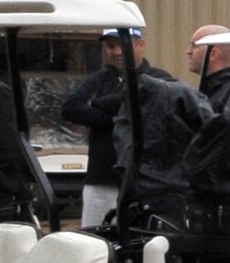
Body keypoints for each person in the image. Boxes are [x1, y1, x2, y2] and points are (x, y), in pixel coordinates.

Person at [61, 27, 176, 228]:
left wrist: (102, 104)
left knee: (139, 240)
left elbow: (150, 110)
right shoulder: (99, 79)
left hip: (143, 184)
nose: (116, 52)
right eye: (111, 46)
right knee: (94, 239)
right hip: (101, 181)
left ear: (141, 45)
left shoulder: (160, 80)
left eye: (122, 45)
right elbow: (70, 108)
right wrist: (112, 119)